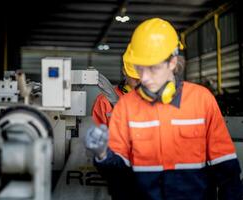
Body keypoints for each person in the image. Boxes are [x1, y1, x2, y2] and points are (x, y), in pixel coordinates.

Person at [85, 18, 242, 200]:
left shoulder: (202, 100)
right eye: (140, 69)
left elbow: (226, 170)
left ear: (173, 62)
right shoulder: (126, 106)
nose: (145, 78)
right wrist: (103, 154)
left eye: (153, 69)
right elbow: (117, 176)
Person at [90, 56, 140, 200]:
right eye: (135, 77)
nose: (140, 81)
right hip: (116, 168)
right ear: (124, 71)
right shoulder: (104, 101)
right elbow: (99, 138)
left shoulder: (155, 100)